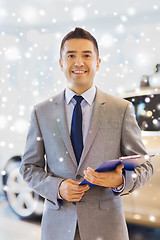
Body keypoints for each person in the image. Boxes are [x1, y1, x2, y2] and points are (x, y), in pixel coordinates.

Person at [20, 27, 153, 240]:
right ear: (61, 63)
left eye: (86, 55)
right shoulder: (41, 112)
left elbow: (144, 167)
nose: (79, 62)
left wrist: (119, 180)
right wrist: (58, 188)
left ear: (98, 62)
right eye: (71, 55)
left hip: (107, 229)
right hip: (58, 228)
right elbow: (28, 168)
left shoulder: (121, 109)